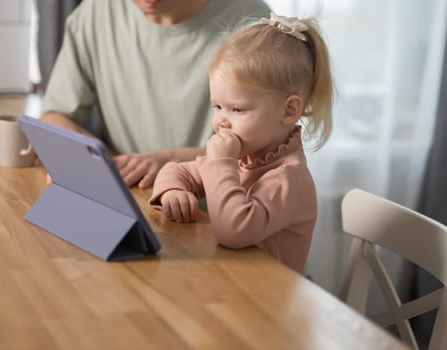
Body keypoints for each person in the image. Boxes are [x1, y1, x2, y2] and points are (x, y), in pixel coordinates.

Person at [148, 12, 334, 273]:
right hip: (232, 286)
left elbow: (234, 231)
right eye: (218, 106)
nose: (222, 121)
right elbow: (176, 170)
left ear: (288, 111)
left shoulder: (288, 179)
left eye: (238, 110)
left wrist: (221, 163)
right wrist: (173, 191)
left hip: (268, 304)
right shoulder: (246, 155)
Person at [40, 0, 270, 188]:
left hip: (223, 214)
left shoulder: (251, 21)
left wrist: (170, 162)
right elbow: (54, 116)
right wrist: (94, 161)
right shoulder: (94, 13)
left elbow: (267, 149)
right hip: (135, 198)